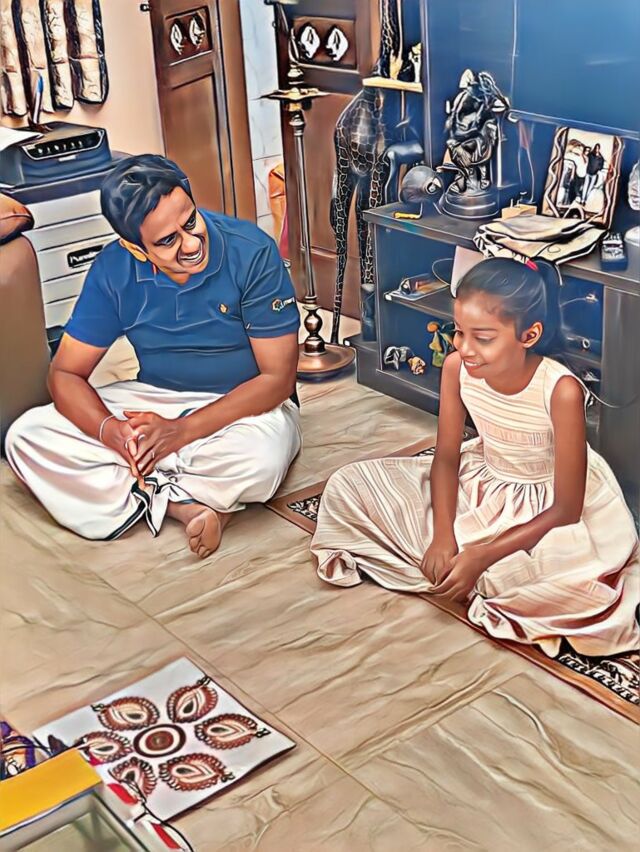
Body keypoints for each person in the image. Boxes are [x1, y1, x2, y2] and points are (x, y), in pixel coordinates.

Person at [310, 258, 639, 657]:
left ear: (529, 335)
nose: (465, 348)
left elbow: (567, 510)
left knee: (527, 582)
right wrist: (442, 537)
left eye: (482, 338)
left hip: (547, 511)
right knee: (348, 485)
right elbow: (446, 458)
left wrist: (482, 555)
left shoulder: (560, 390)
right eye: (459, 332)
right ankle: (463, 561)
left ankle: (484, 570)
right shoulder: (456, 368)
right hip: (483, 482)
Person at [6, 155, 302, 558]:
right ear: (135, 248)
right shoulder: (114, 269)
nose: (192, 244)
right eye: (168, 241)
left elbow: (277, 380)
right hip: (154, 397)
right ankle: (188, 505)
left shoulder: (251, 252)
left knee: (260, 460)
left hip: (244, 405)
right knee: (27, 436)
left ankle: (141, 484)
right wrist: (111, 432)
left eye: (191, 222)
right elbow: (65, 374)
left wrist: (180, 432)